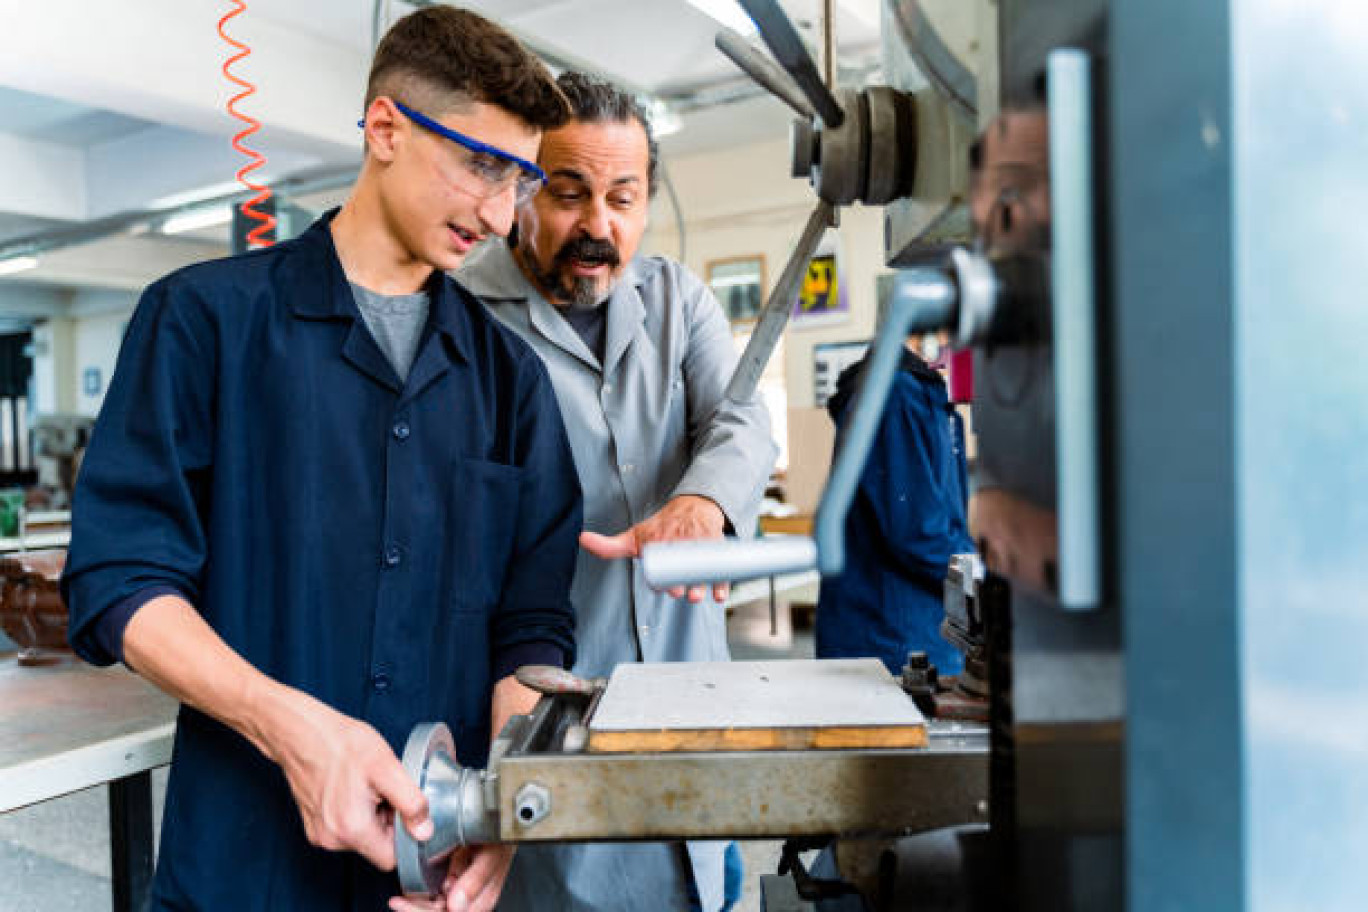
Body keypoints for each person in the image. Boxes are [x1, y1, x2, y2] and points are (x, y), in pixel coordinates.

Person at [60, 9, 582, 912]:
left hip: (429, 869)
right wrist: (289, 727)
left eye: (522, 179)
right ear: (386, 129)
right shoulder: (202, 324)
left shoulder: (512, 383)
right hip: (241, 870)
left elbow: (530, 630)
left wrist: (503, 806)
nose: (503, 214)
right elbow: (119, 581)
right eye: (482, 165)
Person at [459, 71, 776, 912]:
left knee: (705, 880)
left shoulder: (678, 299)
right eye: (569, 194)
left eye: (623, 198)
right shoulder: (461, 313)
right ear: (523, 187)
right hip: (547, 707)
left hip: (691, 703)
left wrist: (701, 503)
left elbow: (741, 420)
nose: (599, 226)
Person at [814, 343, 975, 678]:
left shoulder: (937, 404)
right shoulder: (897, 394)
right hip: (894, 642)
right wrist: (990, 575)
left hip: (923, 631)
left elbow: (948, 520)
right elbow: (917, 533)